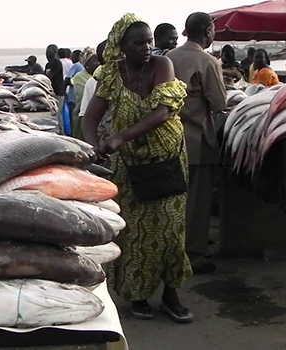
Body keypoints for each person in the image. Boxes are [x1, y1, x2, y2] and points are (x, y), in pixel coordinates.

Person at [82, 13, 193, 323]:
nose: (147, 47)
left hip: (166, 160)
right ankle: (138, 294)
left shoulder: (162, 66)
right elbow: (90, 118)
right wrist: (93, 147)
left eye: (149, 41)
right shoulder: (111, 75)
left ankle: (171, 293)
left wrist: (119, 137)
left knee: (171, 229)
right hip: (128, 167)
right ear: (122, 45)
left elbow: (161, 112)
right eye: (138, 42)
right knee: (132, 233)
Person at [167, 12, 226, 275]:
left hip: (168, 139)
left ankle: (169, 250)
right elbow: (219, 103)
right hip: (196, 140)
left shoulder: (168, 58)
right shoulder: (207, 61)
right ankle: (192, 256)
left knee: (172, 200)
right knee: (196, 203)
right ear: (207, 31)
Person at [70, 47, 99, 138]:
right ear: (86, 64)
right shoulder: (80, 77)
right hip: (83, 115)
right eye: (94, 61)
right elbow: (83, 99)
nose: (98, 63)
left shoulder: (99, 75)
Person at [45, 44, 65, 134]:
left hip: (58, 93)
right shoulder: (48, 64)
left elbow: (49, 76)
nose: (48, 54)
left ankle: (61, 133)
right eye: (47, 51)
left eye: (50, 51)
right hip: (50, 93)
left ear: (55, 53)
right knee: (52, 114)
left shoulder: (57, 63)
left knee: (57, 114)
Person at [65, 49, 84, 124]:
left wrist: (63, 91)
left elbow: (68, 78)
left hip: (73, 95)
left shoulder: (76, 66)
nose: (71, 58)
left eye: (72, 56)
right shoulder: (82, 65)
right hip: (80, 95)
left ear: (77, 57)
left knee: (72, 117)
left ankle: (72, 133)